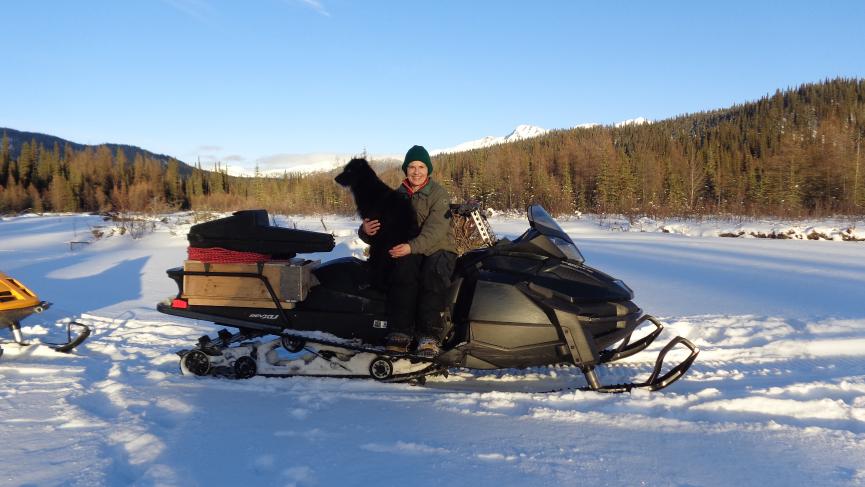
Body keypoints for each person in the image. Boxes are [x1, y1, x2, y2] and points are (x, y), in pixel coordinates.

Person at [358, 145, 457, 357]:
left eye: (421, 166)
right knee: (402, 274)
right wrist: (365, 231)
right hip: (409, 249)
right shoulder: (397, 195)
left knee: (433, 274)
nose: (416, 171)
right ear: (406, 169)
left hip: (439, 248)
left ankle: (429, 336)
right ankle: (401, 332)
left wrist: (411, 247)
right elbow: (379, 223)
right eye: (412, 166)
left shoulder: (438, 194)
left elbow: (436, 230)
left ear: (428, 170)